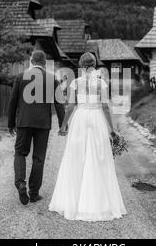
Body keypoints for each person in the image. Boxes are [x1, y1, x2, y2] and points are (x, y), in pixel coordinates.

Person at [49, 52, 127, 221]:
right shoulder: (102, 84)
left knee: (76, 157)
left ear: (81, 66)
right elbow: (105, 107)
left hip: (80, 119)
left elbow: (70, 107)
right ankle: (99, 203)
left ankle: (74, 202)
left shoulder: (75, 83)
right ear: (95, 65)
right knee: (99, 158)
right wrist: (112, 130)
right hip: (97, 118)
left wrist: (63, 126)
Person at [8, 50, 65, 205]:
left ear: (32, 62)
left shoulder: (20, 77)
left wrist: (10, 123)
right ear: (44, 63)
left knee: (20, 152)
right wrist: (62, 125)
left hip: (24, 122)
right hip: (42, 124)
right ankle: (33, 193)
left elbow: (12, 102)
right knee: (38, 158)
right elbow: (59, 104)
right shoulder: (52, 79)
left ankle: (20, 183)